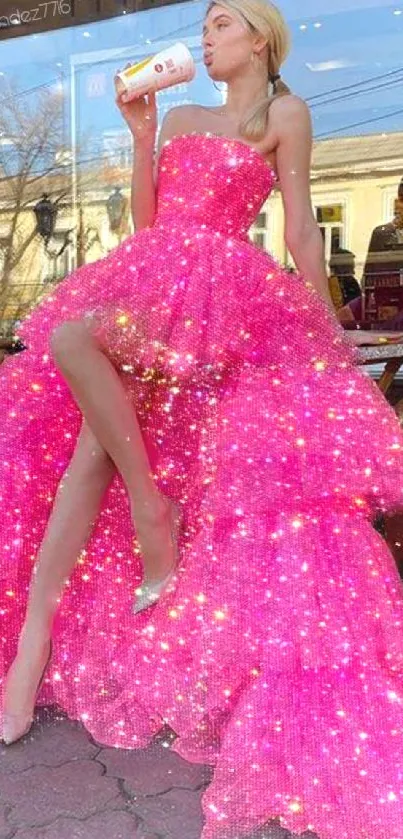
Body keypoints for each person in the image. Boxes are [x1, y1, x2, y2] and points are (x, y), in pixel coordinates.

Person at [1, 1, 403, 837]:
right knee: (76, 367)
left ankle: (67, 607)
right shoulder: (181, 110)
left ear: (259, 37)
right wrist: (141, 134)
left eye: (221, 24)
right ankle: (109, 556)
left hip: (226, 299)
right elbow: (148, 221)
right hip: (152, 275)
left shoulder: (284, 113)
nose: (205, 37)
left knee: (94, 454)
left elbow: (297, 226)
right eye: (206, 25)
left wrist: (325, 325)